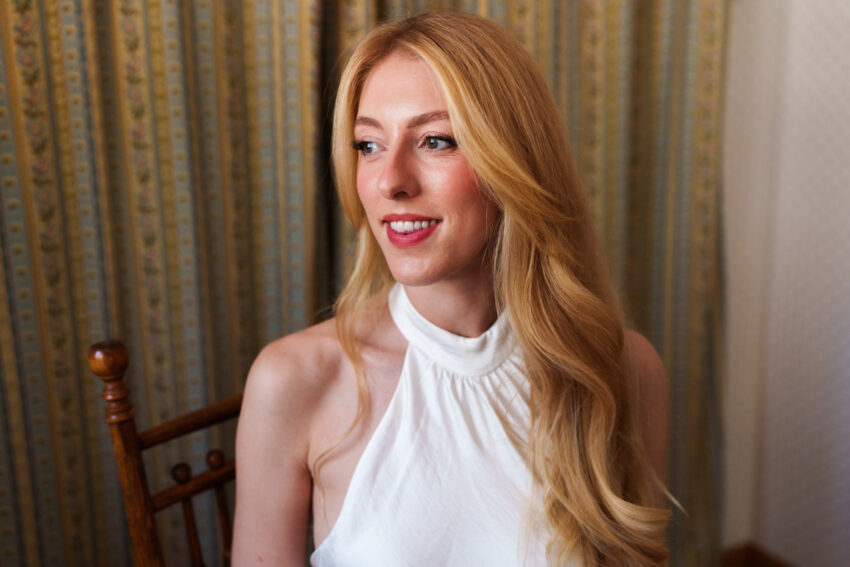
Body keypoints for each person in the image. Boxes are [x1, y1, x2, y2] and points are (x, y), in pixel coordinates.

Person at [232, 11, 670, 567]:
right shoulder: (295, 381)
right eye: (367, 145)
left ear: (514, 161)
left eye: (435, 140)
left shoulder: (625, 370)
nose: (390, 181)